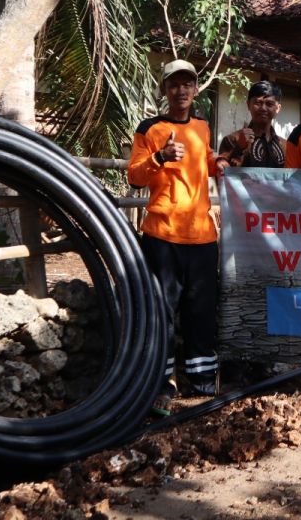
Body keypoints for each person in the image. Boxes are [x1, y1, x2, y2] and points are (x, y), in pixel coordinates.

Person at [128, 59, 222, 414]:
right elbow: (134, 177)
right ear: (164, 89)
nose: (181, 90)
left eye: (187, 84)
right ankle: (162, 383)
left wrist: (219, 164)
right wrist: (160, 156)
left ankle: (201, 382)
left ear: (196, 89)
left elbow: (204, 160)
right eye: (174, 84)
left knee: (201, 309)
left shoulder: (201, 126)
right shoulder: (150, 128)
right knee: (162, 310)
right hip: (162, 235)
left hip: (201, 236)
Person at [218, 81, 286, 168]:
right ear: (248, 105)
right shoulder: (232, 140)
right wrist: (239, 148)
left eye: (269, 104)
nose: (263, 108)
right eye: (258, 103)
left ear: (278, 108)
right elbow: (223, 173)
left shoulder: (285, 146)